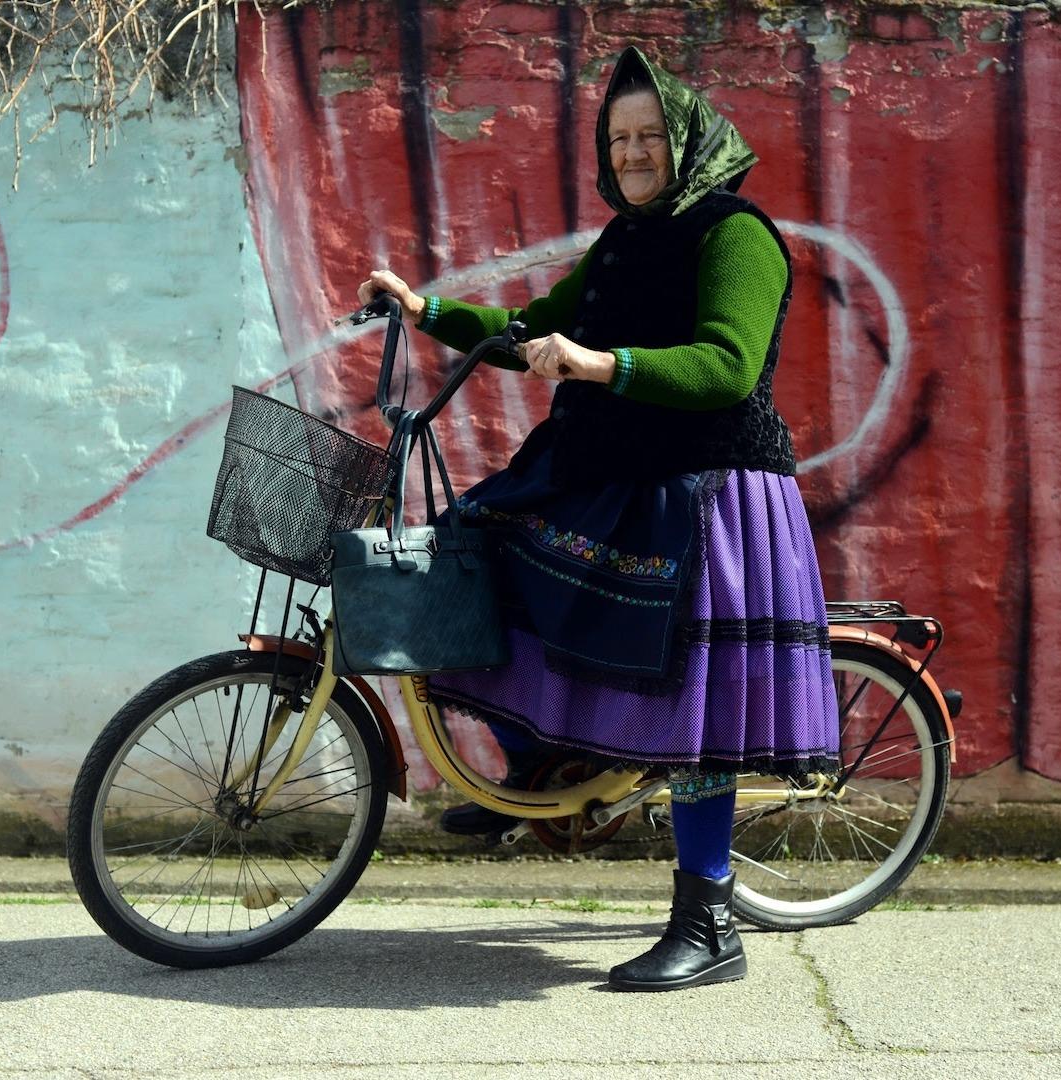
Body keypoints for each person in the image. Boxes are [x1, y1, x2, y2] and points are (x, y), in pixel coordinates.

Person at [357, 46, 839, 992]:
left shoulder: (736, 237)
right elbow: (532, 328)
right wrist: (428, 309)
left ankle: (709, 923)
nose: (632, 154)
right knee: (482, 551)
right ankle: (538, 776)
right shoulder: (622, 243)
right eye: (618, 140)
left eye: (650, 136)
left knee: (687, 704)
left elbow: (729, 367)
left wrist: (601, 365)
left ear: (690, 140)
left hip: (707, 487)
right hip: (612, 472)